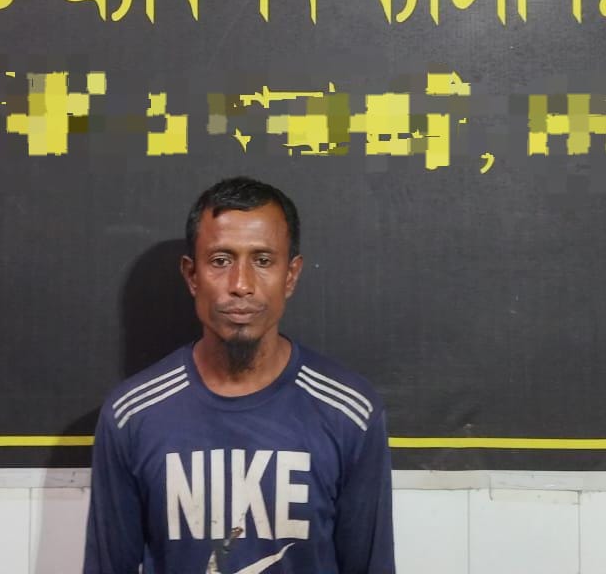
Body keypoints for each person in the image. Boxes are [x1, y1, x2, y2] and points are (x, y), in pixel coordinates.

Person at [83, 176, 395, 574]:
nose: (241, 285)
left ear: (291, 275)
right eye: (220, 260)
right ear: (192, 275)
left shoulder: (348, 413)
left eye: (263, 260)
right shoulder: (132, 416)